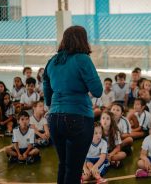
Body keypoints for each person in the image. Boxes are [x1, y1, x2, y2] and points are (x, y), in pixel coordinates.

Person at [43, 26, 103, 184]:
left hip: (54, 118)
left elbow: (47, 91)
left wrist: (53, 105)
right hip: (78, 117)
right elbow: (97, 90)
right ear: (82, 40)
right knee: (74, 169)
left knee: (63, 165)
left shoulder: (52, 61)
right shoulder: (82, 59)